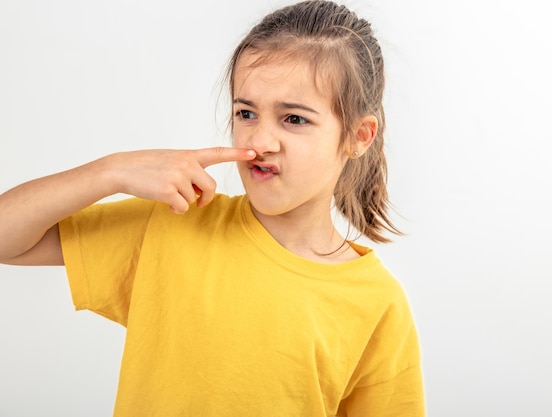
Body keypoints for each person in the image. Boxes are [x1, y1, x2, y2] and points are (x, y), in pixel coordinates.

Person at [0, 0, 425, 415]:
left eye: (293, 119)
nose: (259, 142)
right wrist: (111, 171)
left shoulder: (376, 305)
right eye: (246, 112)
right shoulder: (176, 222)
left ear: (359, 136)